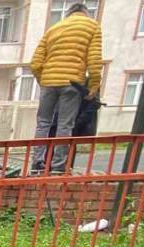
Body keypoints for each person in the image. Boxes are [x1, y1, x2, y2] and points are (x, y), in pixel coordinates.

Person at [30, 3, 102, 172]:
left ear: (69, 14)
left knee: (43, 123)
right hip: (72, 82)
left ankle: (36, 163)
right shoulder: (92, 26)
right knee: (65, 125)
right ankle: (57, 166)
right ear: (86, 14)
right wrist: (93, 86)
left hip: (48, 81)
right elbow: (95, 60)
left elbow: (35, 64)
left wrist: (44, 80)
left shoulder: (54, 28)